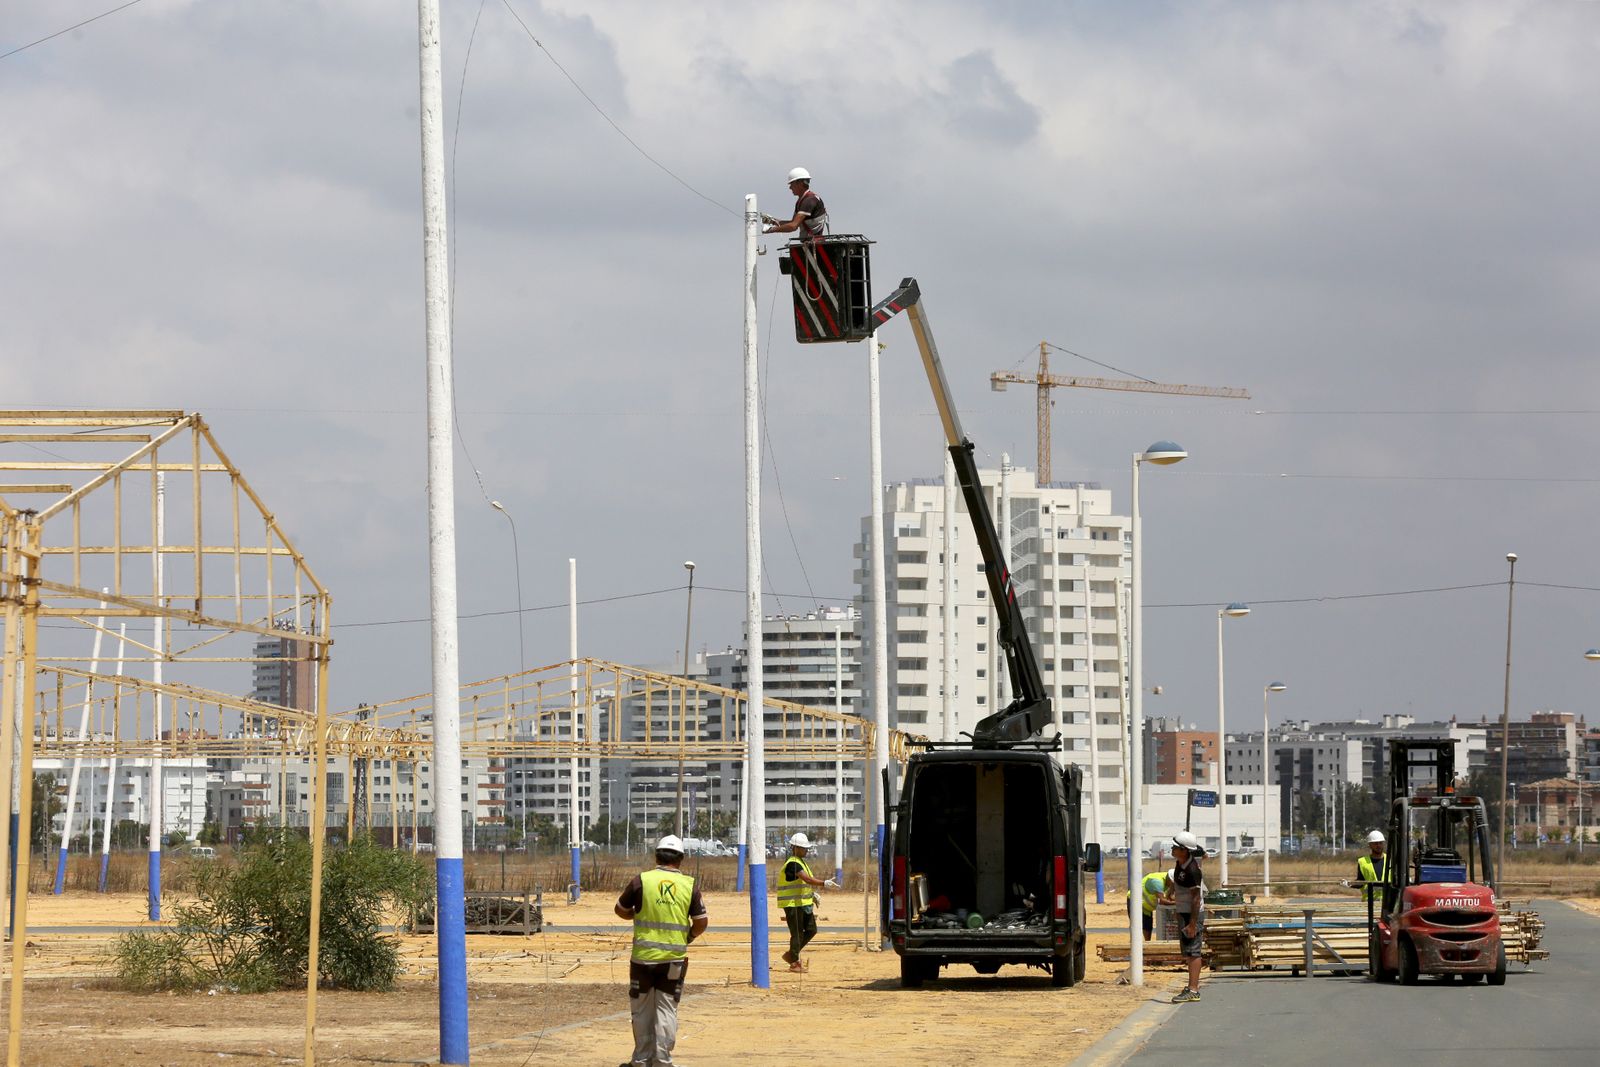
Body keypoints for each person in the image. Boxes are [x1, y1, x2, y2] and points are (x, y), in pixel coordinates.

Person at [614, 835, 708, 1067]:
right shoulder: (689, 885)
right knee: (666, 1009)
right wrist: (690, 936)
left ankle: (641, 1060)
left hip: (642, 961)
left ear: (656, 856)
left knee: (642, 1010)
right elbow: (701, 921)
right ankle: (662, 1061)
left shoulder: (641, 881)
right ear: (681, 859)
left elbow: (620, 909)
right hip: (673, 961)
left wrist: (637, 915)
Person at [776, 832, 839, 973]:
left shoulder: (801, 862)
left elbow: (803, 884)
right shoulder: (793, 864)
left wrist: (812, 894)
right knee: (797, 933)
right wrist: (824, 883)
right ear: (795, 848)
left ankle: (792, 954)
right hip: (792, 904)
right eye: (804, 848)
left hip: (802, 903)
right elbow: (807, 879)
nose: (806, 850)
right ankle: (794, 962)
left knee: (811, 930)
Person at [1168, 831, 1207, 1004]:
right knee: (1188, 951)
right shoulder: (1181, 862)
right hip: (1183, 911)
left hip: (1192, 914)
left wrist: (1192, 924)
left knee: (1193, 950)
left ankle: (1193, 989)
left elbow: (1196, 898)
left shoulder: (1191, 870)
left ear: (1184, 850)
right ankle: (1191, 986)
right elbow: (1201, 851)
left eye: (1176, 847)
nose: (1172, 848)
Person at [762, 167, 828, 241]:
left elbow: (793, 226)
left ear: (799, 183)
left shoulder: (809, 201)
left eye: (791, 184)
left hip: (814, 245)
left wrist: (771, 229)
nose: (790, 187)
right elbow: (792, 223)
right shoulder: (803, 200)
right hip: (812, 244)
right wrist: (773, 221)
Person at [1127, 853, 1174, 942]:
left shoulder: (1168, 881)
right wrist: (1177, 902)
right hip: (1134, 901)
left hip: (1146, 907)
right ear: (1171, 880)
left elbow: (1170, 896)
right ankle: (1133, 946)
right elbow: (1162, 900)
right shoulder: (1157, 881)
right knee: (1136, 925)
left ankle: (1146, 944)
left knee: (1148, 926)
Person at [1344, 830, 1389, 904]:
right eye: (1375, 843)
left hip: (1388, 903)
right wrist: (1349, 884)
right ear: (1370, 845)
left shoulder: (1390, 860)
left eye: (1380, 843)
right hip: (1369, 903)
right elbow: (1361, 881)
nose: (1378, 845)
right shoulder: (1362, 861)